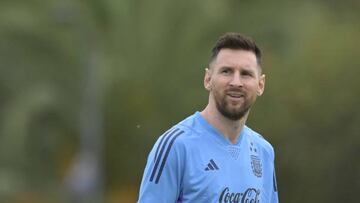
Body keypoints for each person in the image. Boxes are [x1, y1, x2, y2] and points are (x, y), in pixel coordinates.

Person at [137, 32, 279, 203]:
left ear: (260, 85)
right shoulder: (176, 146)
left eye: (246, 74)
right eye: (226, 71)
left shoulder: (264, 151)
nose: (236, 82)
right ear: (208, 79)